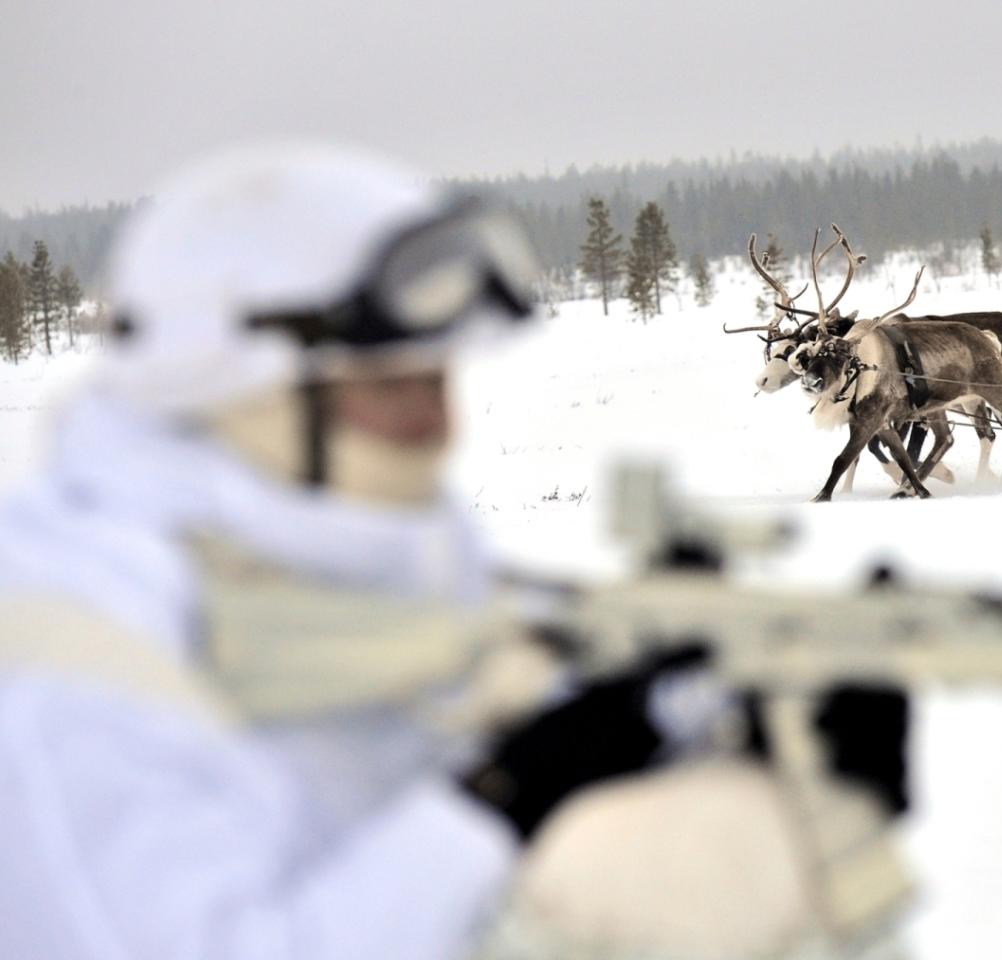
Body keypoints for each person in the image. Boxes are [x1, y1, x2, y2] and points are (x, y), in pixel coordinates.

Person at [0, 144, 713, 959]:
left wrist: (687, 720)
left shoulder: (362, 554)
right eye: (387, 384)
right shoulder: (66, 652)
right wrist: (501, 801)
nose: (438, 424)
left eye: (437, 378)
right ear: (237, 385)